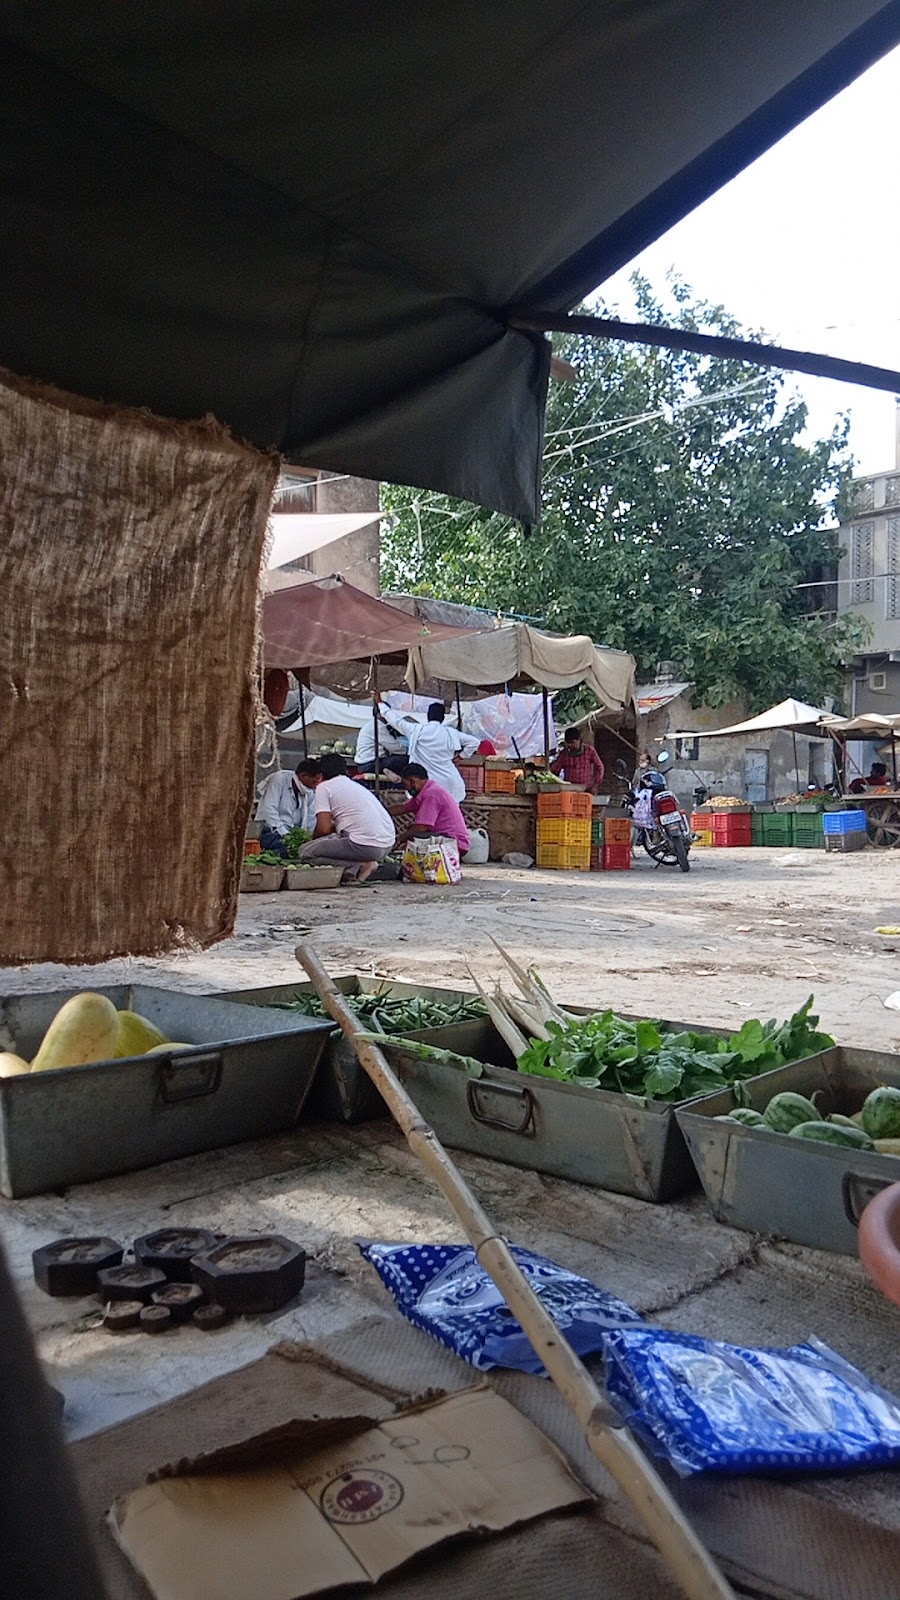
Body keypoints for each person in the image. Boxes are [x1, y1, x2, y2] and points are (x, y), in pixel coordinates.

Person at [298, 753, 396, 883]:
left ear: (321, 773)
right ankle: (362, 865)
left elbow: (323, 829)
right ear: (345, 771)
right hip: (387, 844)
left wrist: (314, 842)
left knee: (305, 852)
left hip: (365, 846)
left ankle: (357, 867)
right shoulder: (355, 786)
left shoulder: (324, 788)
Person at [377, 697, 479, 802]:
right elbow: (474, 742)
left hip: (424, 784)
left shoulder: (416, 730)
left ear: (428, 716)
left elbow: (396, 721)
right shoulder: (451, 733)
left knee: (426, 812)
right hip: (449, 782)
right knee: (449, 812)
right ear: (443, 718)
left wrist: (380, 703)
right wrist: (461, 756)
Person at [388, 762, 471, 857]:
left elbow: (421, 827)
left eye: (406, 785)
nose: (406, 788)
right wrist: (382, 812)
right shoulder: (425, 791)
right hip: (446, 838)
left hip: (453, 841)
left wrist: (399, 839)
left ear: (413, 782)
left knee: (412, 840)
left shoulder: (431, 794)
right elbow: (402, 808)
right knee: (411, 833)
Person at [255, 759, 319, 856]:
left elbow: (311, 818)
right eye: (314, 781)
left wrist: (306, 839)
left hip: (292, 834)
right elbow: (268, 810)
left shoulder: (310, 791)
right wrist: (285, 835)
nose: (316, 785)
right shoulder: (279, 779)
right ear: (303, 776)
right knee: (284, 849)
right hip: (271, 831)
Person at [353, 708, 408, 774]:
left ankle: (390, 773)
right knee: (406, 760)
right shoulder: (377, 726)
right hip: (369, 764)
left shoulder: (372, 723)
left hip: (365, 763)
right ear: (380, 714)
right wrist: (410, 750)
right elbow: (394, 747)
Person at [550, 727, 605, 792]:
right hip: (569, 790)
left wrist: (596, 785)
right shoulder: (564, 754)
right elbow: (555, 771)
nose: (570, 745)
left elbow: (599, 767)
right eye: (568, 743)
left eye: (572, 742)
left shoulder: (589, 751)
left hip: (587, 789)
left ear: (579, 740)